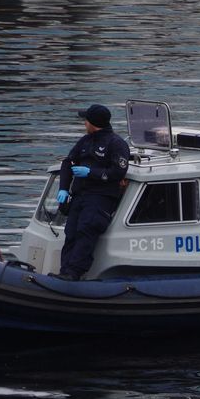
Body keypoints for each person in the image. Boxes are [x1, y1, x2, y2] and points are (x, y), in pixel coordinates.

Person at [54, 104, 130, 280]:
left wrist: (91, 173)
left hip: (100, 198)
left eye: (86, 120)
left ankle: (74, 273)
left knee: (85, 231)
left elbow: (118, 172)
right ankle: (64, 271)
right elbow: (68, 163)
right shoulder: (85, 141)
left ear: (93, 122)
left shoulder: (116, 144)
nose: (84, 123)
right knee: (71, 232)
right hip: (79, 195)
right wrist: (64, 188)